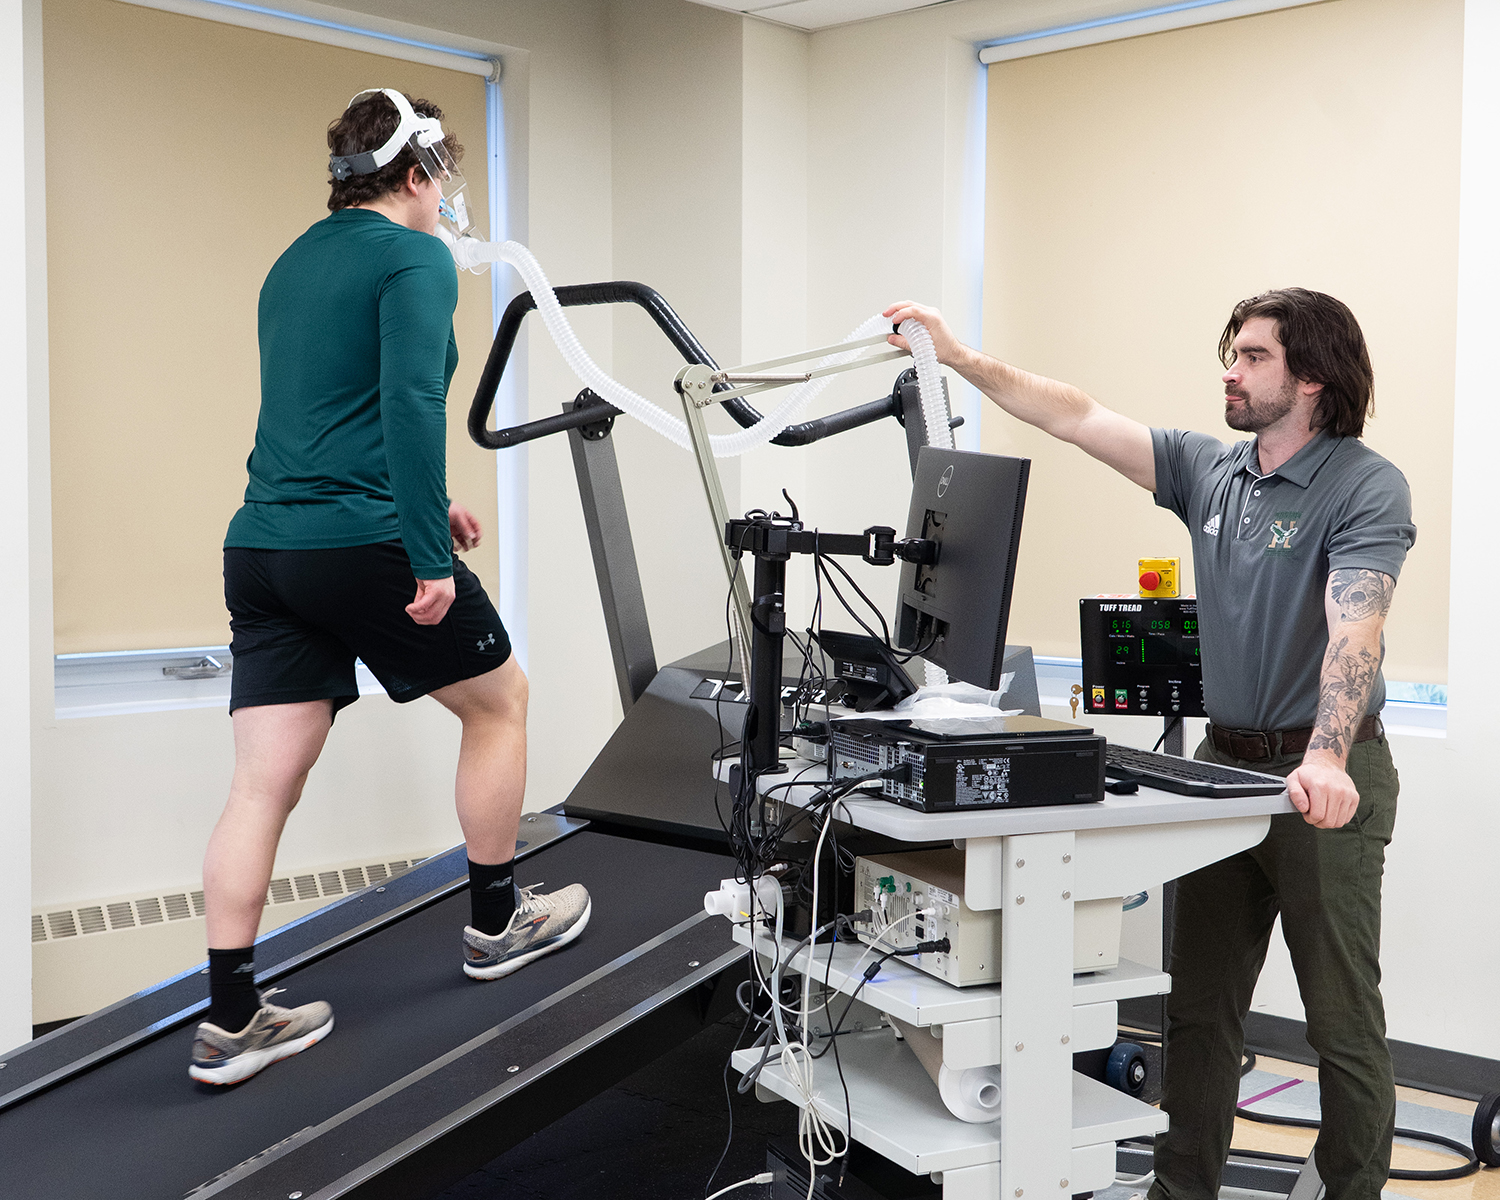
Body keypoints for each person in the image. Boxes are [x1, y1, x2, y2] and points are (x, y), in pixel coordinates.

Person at [885, 290, 1413, 1200]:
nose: (1230, 370)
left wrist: (1324, 755)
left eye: (1251, 357)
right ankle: (1181, 1192)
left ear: (1312, 379)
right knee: (1199, 1013)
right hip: (1221, 769)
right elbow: (1078, 414)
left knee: (1341, 1024)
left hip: (1323, 771)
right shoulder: (1212, 471)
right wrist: (963, 358)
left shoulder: (1364, 484)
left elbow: (1353, 628)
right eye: (1232, 354)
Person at [190, 90, 590, 1086]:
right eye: (445, 174)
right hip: (363, 540)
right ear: (416, 175)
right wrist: (423, 548)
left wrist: (432, 503)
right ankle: (498, 923)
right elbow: (411, 399)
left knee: (257, 785)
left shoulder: (293, 259)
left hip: (265, 547)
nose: (451, 194)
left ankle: (231, 1020)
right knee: (501, 703)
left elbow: (329, 408)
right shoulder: (414, 256)